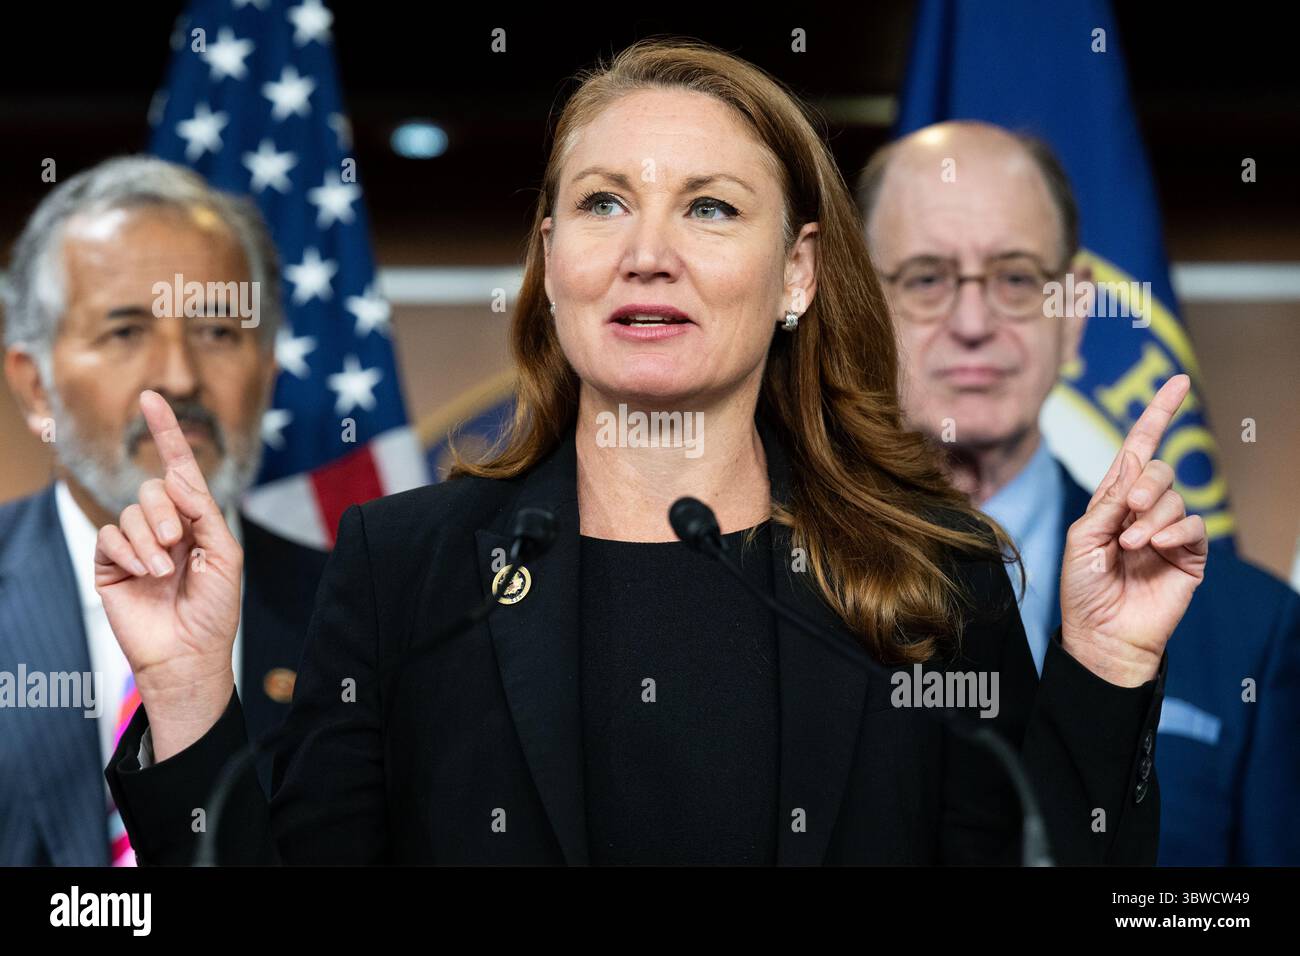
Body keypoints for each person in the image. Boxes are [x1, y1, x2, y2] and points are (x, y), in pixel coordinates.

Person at [99, 39, 1201, 866]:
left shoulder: (930, 575)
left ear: (797, 275)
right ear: (551, 254)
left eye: (710, 208)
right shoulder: (407, 565)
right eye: (602, 203)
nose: (646, 254)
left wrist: (1106, 663)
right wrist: (192, 687)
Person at [857, 119, 1300, 865]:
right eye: (926, 278)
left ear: (1074, 309)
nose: (973, 323)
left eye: (1017, 278)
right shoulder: (776, 588)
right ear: (857, 304)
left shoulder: (1254, 630)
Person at [0, 156, 327, 865]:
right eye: (125, 331)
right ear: (34, 388)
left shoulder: (357, 612)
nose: (180, 377)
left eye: (218, 332)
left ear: (268, 370)